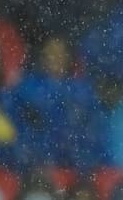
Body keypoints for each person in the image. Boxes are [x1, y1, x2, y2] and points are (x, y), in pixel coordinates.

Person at [11, 34, 107, 172]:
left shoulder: (83, 90)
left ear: (69, 57)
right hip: (37, 165)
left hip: (77, 166)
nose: (57, 57)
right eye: (52, 52)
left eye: (61, 52)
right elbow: (20, 129)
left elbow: (95, 129)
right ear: (42, 57)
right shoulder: (26, 88)